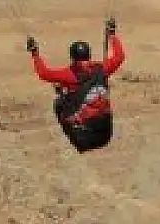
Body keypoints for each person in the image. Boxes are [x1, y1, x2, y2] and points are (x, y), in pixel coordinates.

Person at [26, 17, 124, 152]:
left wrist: (34, 53)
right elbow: (119, 56)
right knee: (69, 93)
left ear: (72, 57)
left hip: (85, 138)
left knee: (59, 103)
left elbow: (43, 73)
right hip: (105, 133)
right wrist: (112, 34)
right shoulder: (102, 69)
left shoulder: (69, 74)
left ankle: (73, 132)